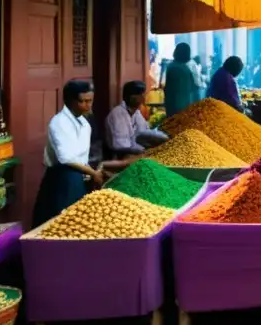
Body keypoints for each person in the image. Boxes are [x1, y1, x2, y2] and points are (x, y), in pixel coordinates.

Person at [33, 80, 105, 227]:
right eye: (82, 101)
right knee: (59, 224)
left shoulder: (85, 124)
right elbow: (66, 158)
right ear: (70, 101)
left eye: (90, 100)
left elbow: (82, 157)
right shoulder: (59, 122)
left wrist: (89, 174)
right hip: (61, 178)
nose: (88, 105)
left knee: (78, 223)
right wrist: (93, 173)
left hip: (79, 177)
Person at [106, 80, 168, 157]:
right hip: (120, 157)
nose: (144, 97)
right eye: (141, 94)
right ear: (132, 97)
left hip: (136, 154)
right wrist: (143, 151)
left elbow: (144, 133)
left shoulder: (136, 113)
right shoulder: (117, 114)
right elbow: (121, 145)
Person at [164, 42, 200, 117]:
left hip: (174, 107)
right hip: (181, 108)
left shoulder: (172, 66)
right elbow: (184, 91)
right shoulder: (180, 69)